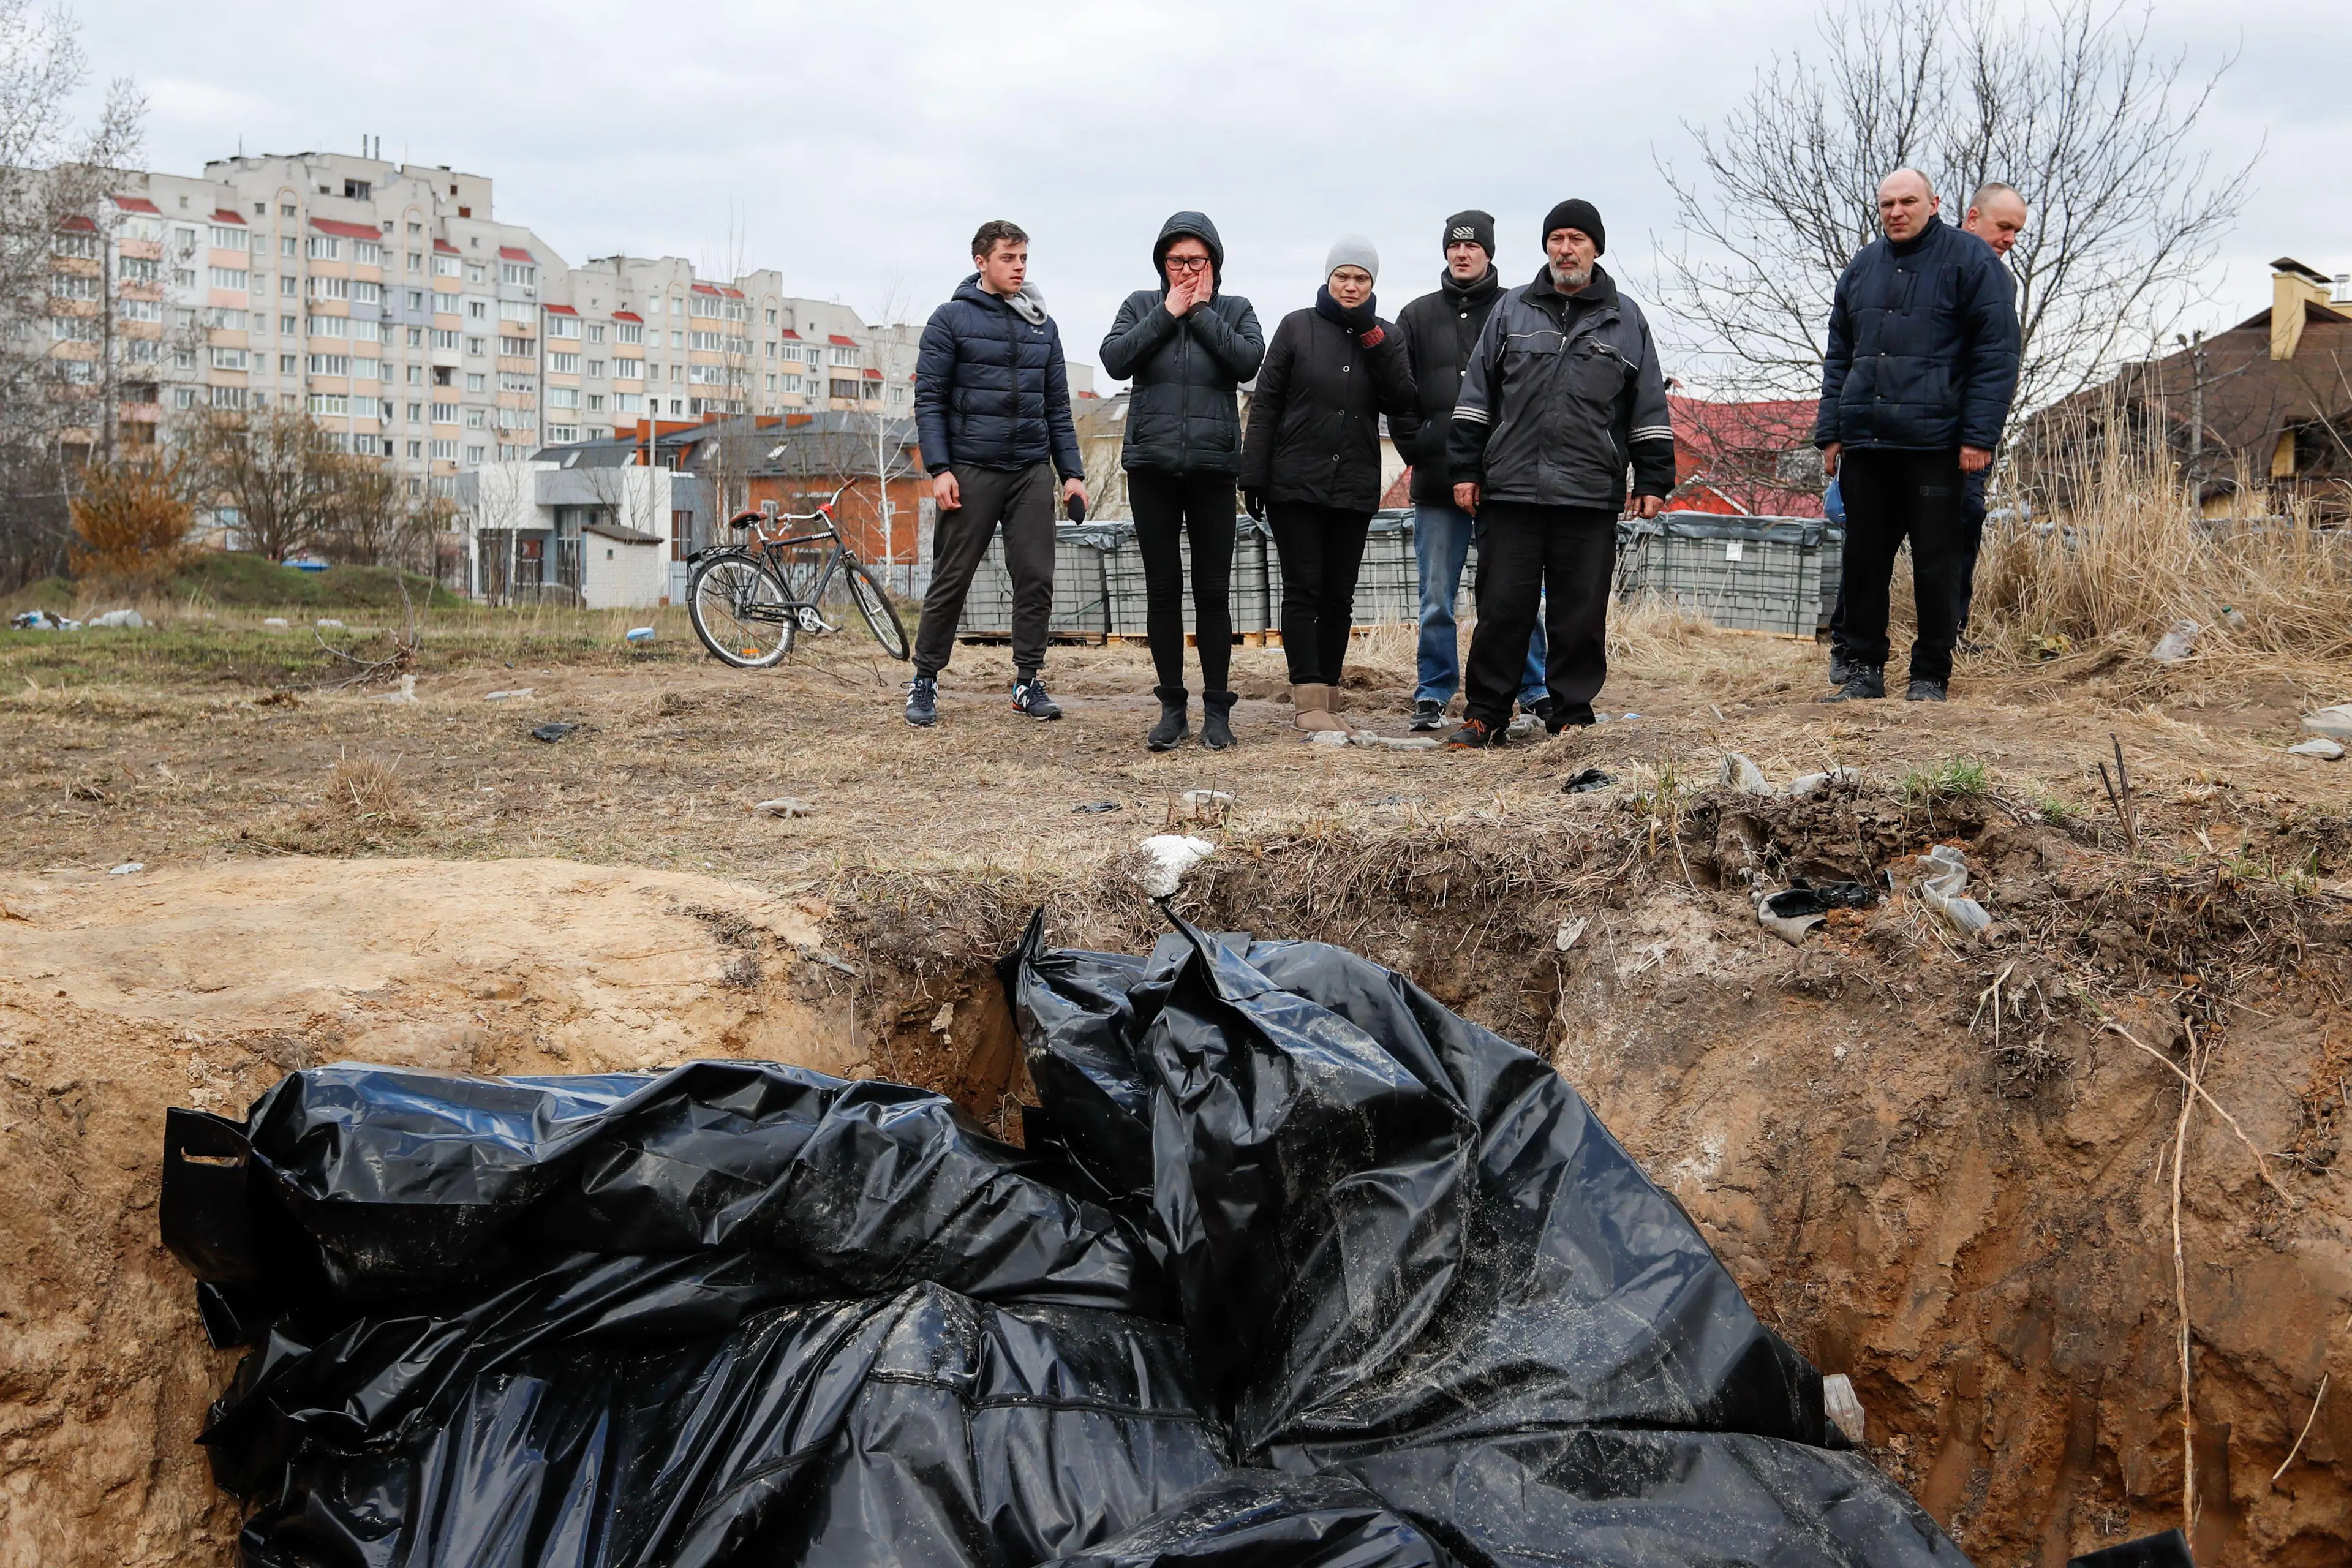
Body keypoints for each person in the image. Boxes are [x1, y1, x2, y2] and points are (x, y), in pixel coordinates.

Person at [1444, 200, 1674, 749]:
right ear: (1546, 246)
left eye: (1576, 239)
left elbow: (1647, 407)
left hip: (1589, 493)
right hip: (1512, 489)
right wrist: (1465, 468)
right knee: (1501, 609)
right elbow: (1476, 396)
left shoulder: (1626, 319)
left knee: (1579, 614)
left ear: (1596, 247)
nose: (1565, 249)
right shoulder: (1511, 312)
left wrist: (1652, 480)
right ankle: (1486, 715)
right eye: (1557, 239)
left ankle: (1571, 715)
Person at [1815, 170, 2019, 703]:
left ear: (1934, 204)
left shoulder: (1973, 264)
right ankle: (1863, 670)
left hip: (1938, 445)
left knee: (1936, 564)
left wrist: (1979, 436)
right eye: (1887, 203)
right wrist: (1831, 434)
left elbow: (1996, 357)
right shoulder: (1861, 267)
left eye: (1908, 201)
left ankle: (1930, 674)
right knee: (1863, 563)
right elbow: (1840, 355)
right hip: (1867, 442)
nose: (1896, 211)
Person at [906, 219, 1088, 728]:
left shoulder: (1042, 325)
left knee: (1035, 577)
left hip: (1031, 470)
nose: (1019, 267)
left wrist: (1070, 473)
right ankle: (925, 680)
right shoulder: (950, 320)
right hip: (971, 469)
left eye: (1024, 258)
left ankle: (1027, 681)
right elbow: (930, 401)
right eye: (1009, 258)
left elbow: (1057, 404)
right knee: (953, 578)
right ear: (981, 262)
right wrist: (939, 469)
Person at [1238, 236, 1419, 736]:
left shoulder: (1385, 335)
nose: (1351, 285)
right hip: (1293, 483)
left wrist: (1373, 340)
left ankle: (1330, 695)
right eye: (1343, 276)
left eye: (1361, 278)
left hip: (1354, 484)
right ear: (1328, 278)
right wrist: (1253, 474)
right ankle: (1307, 698)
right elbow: (1267, 403)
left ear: (1373, 284)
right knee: (1304, 589)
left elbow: (1402, 396)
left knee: (1339, 594)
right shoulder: (1297, 327)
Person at [1099, 213, 1264, 751]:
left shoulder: (1236, 311)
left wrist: (1201, 311)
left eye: (1197, 260)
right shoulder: (1140, 306)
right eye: (1177, 261)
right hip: (1152, 469)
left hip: (1214, 470)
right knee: (1163, 590)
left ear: (1214, 262)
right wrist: (1168, 313)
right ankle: (1172, 708)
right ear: (1161, 264)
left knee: (1214, 593)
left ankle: (1218, 710)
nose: (1187, 269)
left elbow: (1247, 361)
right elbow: (1115, 360)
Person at [1397, 210, 1548, 734]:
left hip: (1505, 482)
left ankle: (1534, 690)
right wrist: (1418, 446)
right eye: (1455, 247)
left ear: (1489, 252)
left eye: (1474, 247)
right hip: (1438, 484)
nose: (1463, 255)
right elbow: (1399, 396)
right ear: (1445, 252)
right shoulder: (1415, 317)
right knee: (1437, 596)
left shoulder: (1519, 309)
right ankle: (1434, 691)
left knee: (1514, 593)